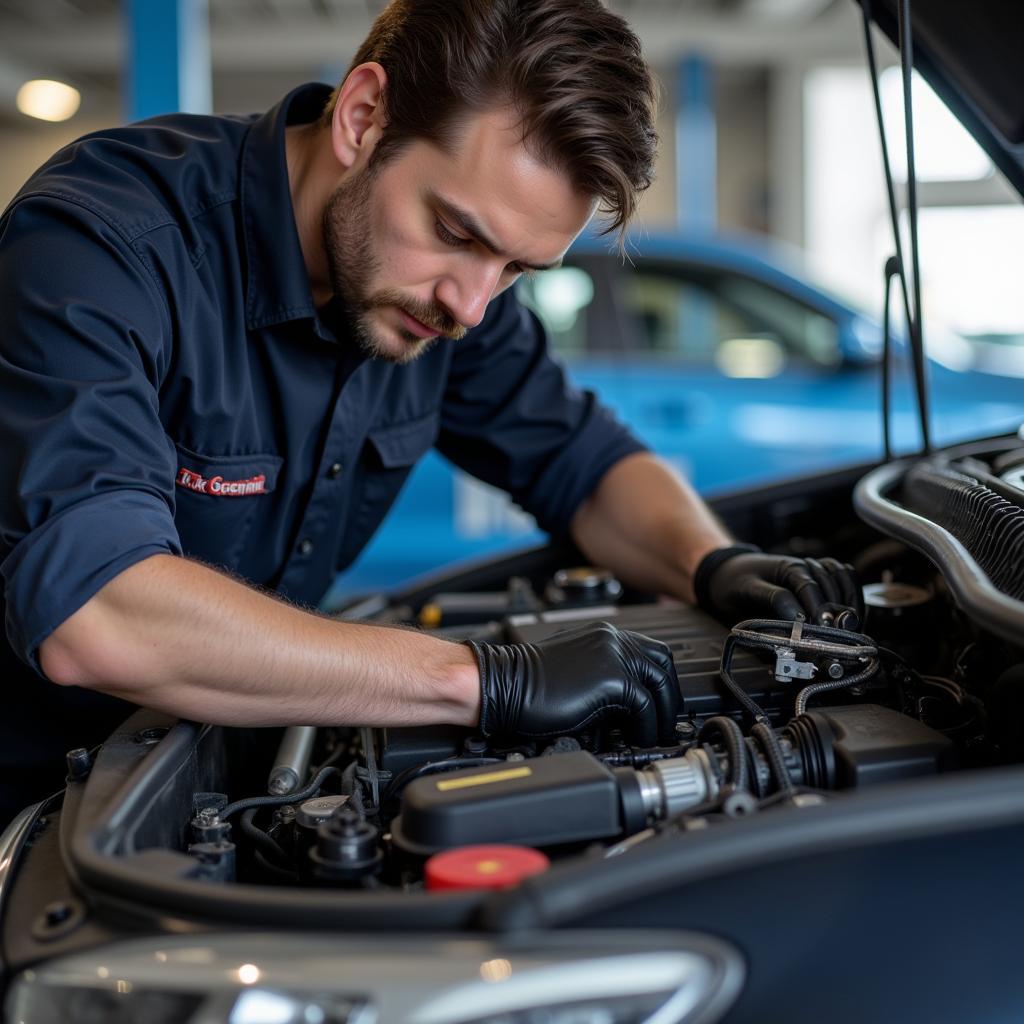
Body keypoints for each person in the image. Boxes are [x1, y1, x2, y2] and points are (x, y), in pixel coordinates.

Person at [0, 0, 860, 822]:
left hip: (200, 765)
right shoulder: (103, 245)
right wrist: (487, 680)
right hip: (27, 804)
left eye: (518, 269)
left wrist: (712, 565)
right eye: (457, 232)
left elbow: (584, 462)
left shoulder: (443, 304)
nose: (474, 305)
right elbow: (97, 614)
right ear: (363, 115)